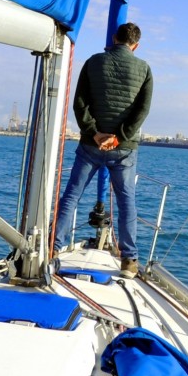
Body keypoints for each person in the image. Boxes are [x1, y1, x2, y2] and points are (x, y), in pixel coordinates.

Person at [52, 22, 153, 278]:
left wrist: (95, 132)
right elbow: (141, 111)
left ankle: (53, 249)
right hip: (124, 149)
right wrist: (119, 138)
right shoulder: (144, 69)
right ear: (136, 45)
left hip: (91, 144)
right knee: (126, 201)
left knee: (72, 194)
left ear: (113, 38)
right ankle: (129, 261)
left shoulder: (93, 62)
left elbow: (80, 102)